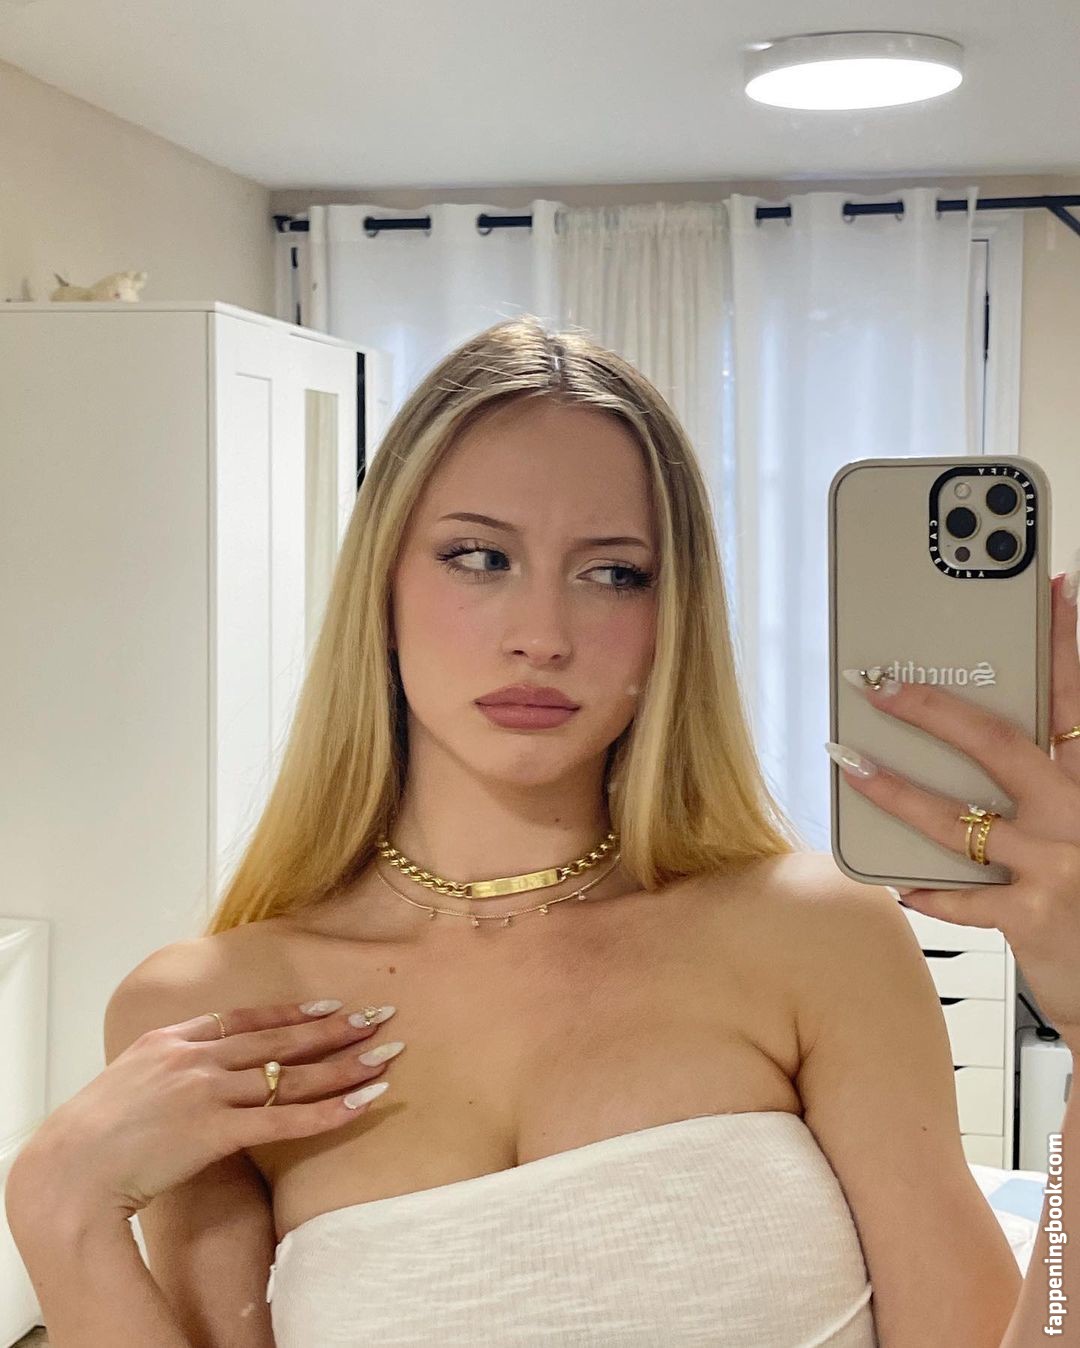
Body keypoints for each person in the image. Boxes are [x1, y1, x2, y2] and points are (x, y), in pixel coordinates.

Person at [6, 316, 1080, 1347]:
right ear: (381, 587)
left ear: (670, 619)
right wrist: (58, 1211)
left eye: (613, 573)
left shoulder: (814, 936)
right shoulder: (215, 1011)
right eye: (479, 557)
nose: (543, 635)